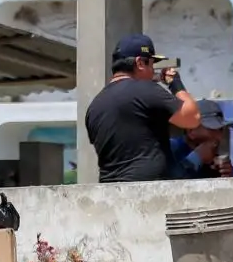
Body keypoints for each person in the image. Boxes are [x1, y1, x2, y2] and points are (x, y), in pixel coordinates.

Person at [85, 35, 203, 183]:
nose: (153, 71)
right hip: (148, 194)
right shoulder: (147, 90)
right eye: (152, 65)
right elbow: (192, 118)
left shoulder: (95, 105)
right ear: (140, 63)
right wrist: (175, 83)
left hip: (111, 195)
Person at [170, 105, 233, 180]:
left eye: (220, 129)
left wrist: (228, 177)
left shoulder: (213, 163)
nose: (219, 137)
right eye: (212, 128)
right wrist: (197, 158)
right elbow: (165, 183)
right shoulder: (170, 149)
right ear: (191, 130)